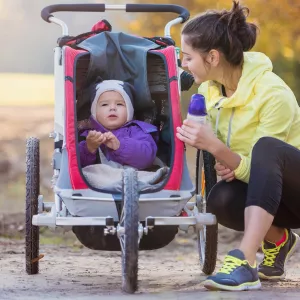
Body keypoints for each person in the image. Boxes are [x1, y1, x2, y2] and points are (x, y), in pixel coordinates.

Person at [176, 0, 300, 292]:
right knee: (221, 199)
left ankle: (245, 259)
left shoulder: (272, 93)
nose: (183, 65)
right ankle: (279, 240)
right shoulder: (209, 92)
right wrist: (227, 159)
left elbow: (266, 161)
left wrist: (220, 150)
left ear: (213, 57)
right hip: (272, 195)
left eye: (188, 57)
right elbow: (248, 169)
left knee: (268, 148)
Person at [79, 79, 158, 170]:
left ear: (129, 111)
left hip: (134, 180)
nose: (112, 108)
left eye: (119, 104)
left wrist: (120, 146)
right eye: (105, 104)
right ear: (94, 113)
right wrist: (89, 149)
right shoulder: (88, 136)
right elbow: (76, 166)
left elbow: (147, 158)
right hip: (98, 182)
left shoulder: (137, 131)